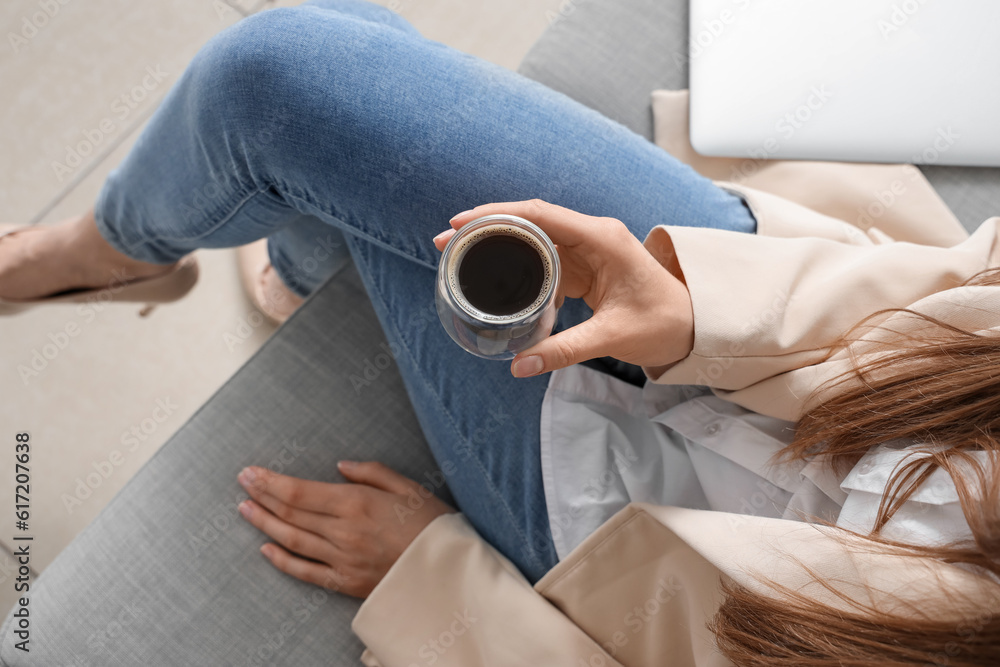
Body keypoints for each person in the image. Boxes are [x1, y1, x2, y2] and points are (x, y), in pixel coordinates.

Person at [2, 1, 997, 665]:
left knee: (273, 77)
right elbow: (966, 291)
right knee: (332, 58)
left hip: (611, 527)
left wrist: (443, 586)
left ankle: (112, 252)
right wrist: (696, 312)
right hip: (781, 322)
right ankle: (301, 261)